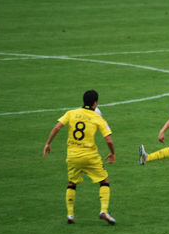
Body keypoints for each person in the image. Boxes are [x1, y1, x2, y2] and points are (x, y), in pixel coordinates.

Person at [43, 90, 116, 225]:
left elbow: (57, 127)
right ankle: (104, 211)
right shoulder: (97, 117)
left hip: (72, 156)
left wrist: (48, 143)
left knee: (72, 183)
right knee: (104, 181)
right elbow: (109, 140)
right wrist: (112, 153)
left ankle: (70, 215)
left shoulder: (71, 113)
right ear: (95, 103)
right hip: (90, 156)